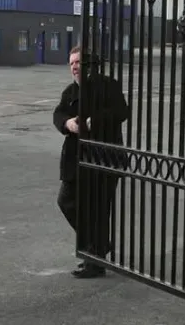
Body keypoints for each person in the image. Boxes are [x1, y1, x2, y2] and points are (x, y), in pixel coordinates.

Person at [52, 44, 129, 278]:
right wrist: (68, 124)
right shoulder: (70, 91)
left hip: (104, 159)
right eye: (71, 63)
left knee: (97, 211)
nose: (74, 67)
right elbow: (58, 114)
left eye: (78, 62)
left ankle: (94, 261)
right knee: (66, 201)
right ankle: (98, 245)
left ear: (88, 64)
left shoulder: (108, 86)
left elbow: (121, 112)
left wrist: (91, 122)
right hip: (75, 161)